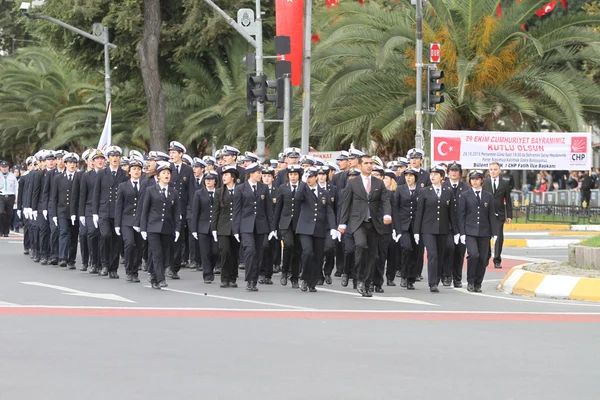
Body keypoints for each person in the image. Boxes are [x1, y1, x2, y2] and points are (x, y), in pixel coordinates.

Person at [337, 155, 392, 297]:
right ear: (360, 166)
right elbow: (346, 204)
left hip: (374, 222)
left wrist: (387, 215)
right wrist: (342, 224)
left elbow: (385, 201)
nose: (369, 165)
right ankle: (359, 278)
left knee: (372, 254)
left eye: (370, 163)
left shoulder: (378, 183)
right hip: (358, 222)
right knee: (361, 245)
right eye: (366, 163)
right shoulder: (352, 183)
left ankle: (367, 283)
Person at [413, 165, 458, 293]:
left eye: (436, 174)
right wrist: (416, 231)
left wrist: (455, 231)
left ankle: (437, 279)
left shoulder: (448, 192)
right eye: (431, 174)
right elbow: (419, 212)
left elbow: (452, 214)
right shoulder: (424, 192)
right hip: (427, 229)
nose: (432, 176)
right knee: (432, 254)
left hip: (443, 229)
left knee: (439, 255)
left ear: (442, 177)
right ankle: (432, 283)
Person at [232, 163, 276, 291]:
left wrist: (271, 228)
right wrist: (236, 228)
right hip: (246, 225)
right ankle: (249, 279)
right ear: (251, 173)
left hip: (260, 226)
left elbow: (268, 209)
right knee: (250, 251)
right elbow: (237, 210)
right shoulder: (240, 188)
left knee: (258, 253)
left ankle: (254, 280)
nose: (260, 175)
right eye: (258, 173)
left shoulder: (264, 188)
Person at [294, 167, 337, 292]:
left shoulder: (324, 193)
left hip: (319, 228)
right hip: (305, 228)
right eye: (307, 177)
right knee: (307, 253)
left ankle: (312, 282)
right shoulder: (303, 190)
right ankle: (304, 278)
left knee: (318, 256)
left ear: (316, 177)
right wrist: (302, 182)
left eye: (311, 177)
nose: (309, 179)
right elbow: (297, 197)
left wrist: (333, 227)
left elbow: (329, 211)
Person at [141, 161, 181, 289]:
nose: (166, 175)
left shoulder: (173, 192)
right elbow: (145, 211)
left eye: (168, 173)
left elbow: (176, 213)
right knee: (157, 253)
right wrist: (143, 228)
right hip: (153, 227)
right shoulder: (150, 190)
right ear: (158, 176)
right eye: (163, 173)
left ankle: (153, 277)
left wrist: (177, 229)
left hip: (167, 228)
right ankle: (161, 278)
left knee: (163, 254)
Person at [458, 170, 497, 292]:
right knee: (473, 255)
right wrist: (462, 233)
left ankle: (478, 283)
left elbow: (491, 215)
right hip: (470, 231)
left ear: (481, 181)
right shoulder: (465, 195)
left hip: (484, 232)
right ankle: (470, 281)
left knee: (483, 258)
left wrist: (495, 232)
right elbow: (461, 215)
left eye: (477, 179)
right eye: (472, 179)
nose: (474, 181)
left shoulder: (488, 196)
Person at [93, 145, 128, 278]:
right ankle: (104, 264)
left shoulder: (124, 174)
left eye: (117, 156)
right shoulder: (102, 173)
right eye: (112, 156)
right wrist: (95, 212)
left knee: (117, 240)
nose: (115, 158)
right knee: (105, 235)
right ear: (108, 158)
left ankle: (113, 268)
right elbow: (96, 192)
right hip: (104, 211)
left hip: (118, 212)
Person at [167, 141, 195, 279]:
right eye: (170, 152)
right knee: (166, 236)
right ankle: (166, 263)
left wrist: (190, 210)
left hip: (181, 209)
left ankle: (174, 267)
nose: (171, 155)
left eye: (174, 153)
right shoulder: (166, 168)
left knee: (178, 238)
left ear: (181, 154)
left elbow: (191, 192)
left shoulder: (188, 170)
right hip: (166, 209)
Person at [115, 158, 145, 283]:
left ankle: (135, 271)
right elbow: (119, 205)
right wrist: (117, 224)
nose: (136, 171)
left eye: (138, 169)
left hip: (140, 220)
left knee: (139, 246)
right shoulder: (123, 186)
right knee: (129, 243)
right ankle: (128, 270)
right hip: (126, 220)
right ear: (129, 172)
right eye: (134, 169)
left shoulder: (146, 185)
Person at [273, 165, 303, 288]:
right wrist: (275, 226)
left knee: (297, 250)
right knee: (288, 245)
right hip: (285, 223)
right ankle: (285, 271)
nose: (293, 177)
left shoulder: (303, 187)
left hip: (299, 223)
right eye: (291, 174)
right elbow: (278, 208)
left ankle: (294, 277)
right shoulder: (282, 188)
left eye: (295, 174)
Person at [392, 167, 422, 290]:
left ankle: (411, 278)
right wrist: (396, 227)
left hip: (416, 225)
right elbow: (395, 208)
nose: (408, 178)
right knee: (407, 248)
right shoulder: (400, 190)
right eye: (406, 176)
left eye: (411, 176)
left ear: (415, 177)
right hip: (403, 225)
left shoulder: (421, 191)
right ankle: (404, 275)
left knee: (416, 251)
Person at [212, 166, 240, 288]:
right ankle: (224, 277)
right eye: (223, 175)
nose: (223, 177)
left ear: (232, 177)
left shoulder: (240, 190)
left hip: (236, 227)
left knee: (234, 253)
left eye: (226, 175)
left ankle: (233, 277)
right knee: (225, 251)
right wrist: (213, 228)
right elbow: (216, 211)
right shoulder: (219, 192)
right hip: (223, 227)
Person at [50, 153, 79, 268]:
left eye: (74, 163)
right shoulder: (58, 178)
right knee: (63, 232)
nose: (72, 165)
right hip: (62, 210)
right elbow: (54, 197)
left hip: (75, 211)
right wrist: (54, 214)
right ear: (65, 164)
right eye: (70, 163)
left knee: (73, 235)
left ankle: (71, 260)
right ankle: (62, 257)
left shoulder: (79, 177)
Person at [442, 161, 468, 288]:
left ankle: (457, 277)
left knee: (460, 251)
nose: (454, 173)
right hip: (447, 225)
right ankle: (447, 275)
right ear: (448, 172)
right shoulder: (443, 186)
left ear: (460, 173)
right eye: (451, 170)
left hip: (461, 224)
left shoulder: (465, 187)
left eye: (456, 170)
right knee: (449, 249)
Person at [191, 170, 219, 284]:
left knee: (216, 251)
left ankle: (211, 268)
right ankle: (207, 274)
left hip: (216, 227)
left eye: (211, 179)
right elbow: (195, 212)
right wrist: (194, 229)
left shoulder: (219, 192)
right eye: (207, 179)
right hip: (202, 226)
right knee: (205, 252)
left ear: (215, 181)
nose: (208, 181)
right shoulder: (199, 193)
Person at [483, 161, 512, 269]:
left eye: (495, 169)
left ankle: (497, 260)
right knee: (486, 237)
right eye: (491, 169)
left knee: (499, 237)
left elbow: (508, 200)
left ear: (499, 171)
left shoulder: (504, 183)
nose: (493, 172)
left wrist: (509, 215)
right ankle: (486, 256)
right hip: (487, 214)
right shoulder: (485, 182)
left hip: (499, 214)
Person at [79, 149, 105, 273]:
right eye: (97, 159)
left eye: (101, 159)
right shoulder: (86, 176)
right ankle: (93, 262)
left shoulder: (107, 174)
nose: (100, 161)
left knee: (103, 236)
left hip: (104, 209)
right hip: (89, 209)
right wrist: (81, 214)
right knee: (92, 233)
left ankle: (102, 263)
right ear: (92, 162)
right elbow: (82, 196)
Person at [0, 160, 18, 237]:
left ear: (8, 167)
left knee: (9, 214)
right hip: (1, 196)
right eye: (2, 167)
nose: (4, 168)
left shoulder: (12, 176)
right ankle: (0, 230)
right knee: (1, 212)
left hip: (10, 196)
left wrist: (16, 198)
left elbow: (16, 187)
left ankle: (6, 231)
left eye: (5, 167)